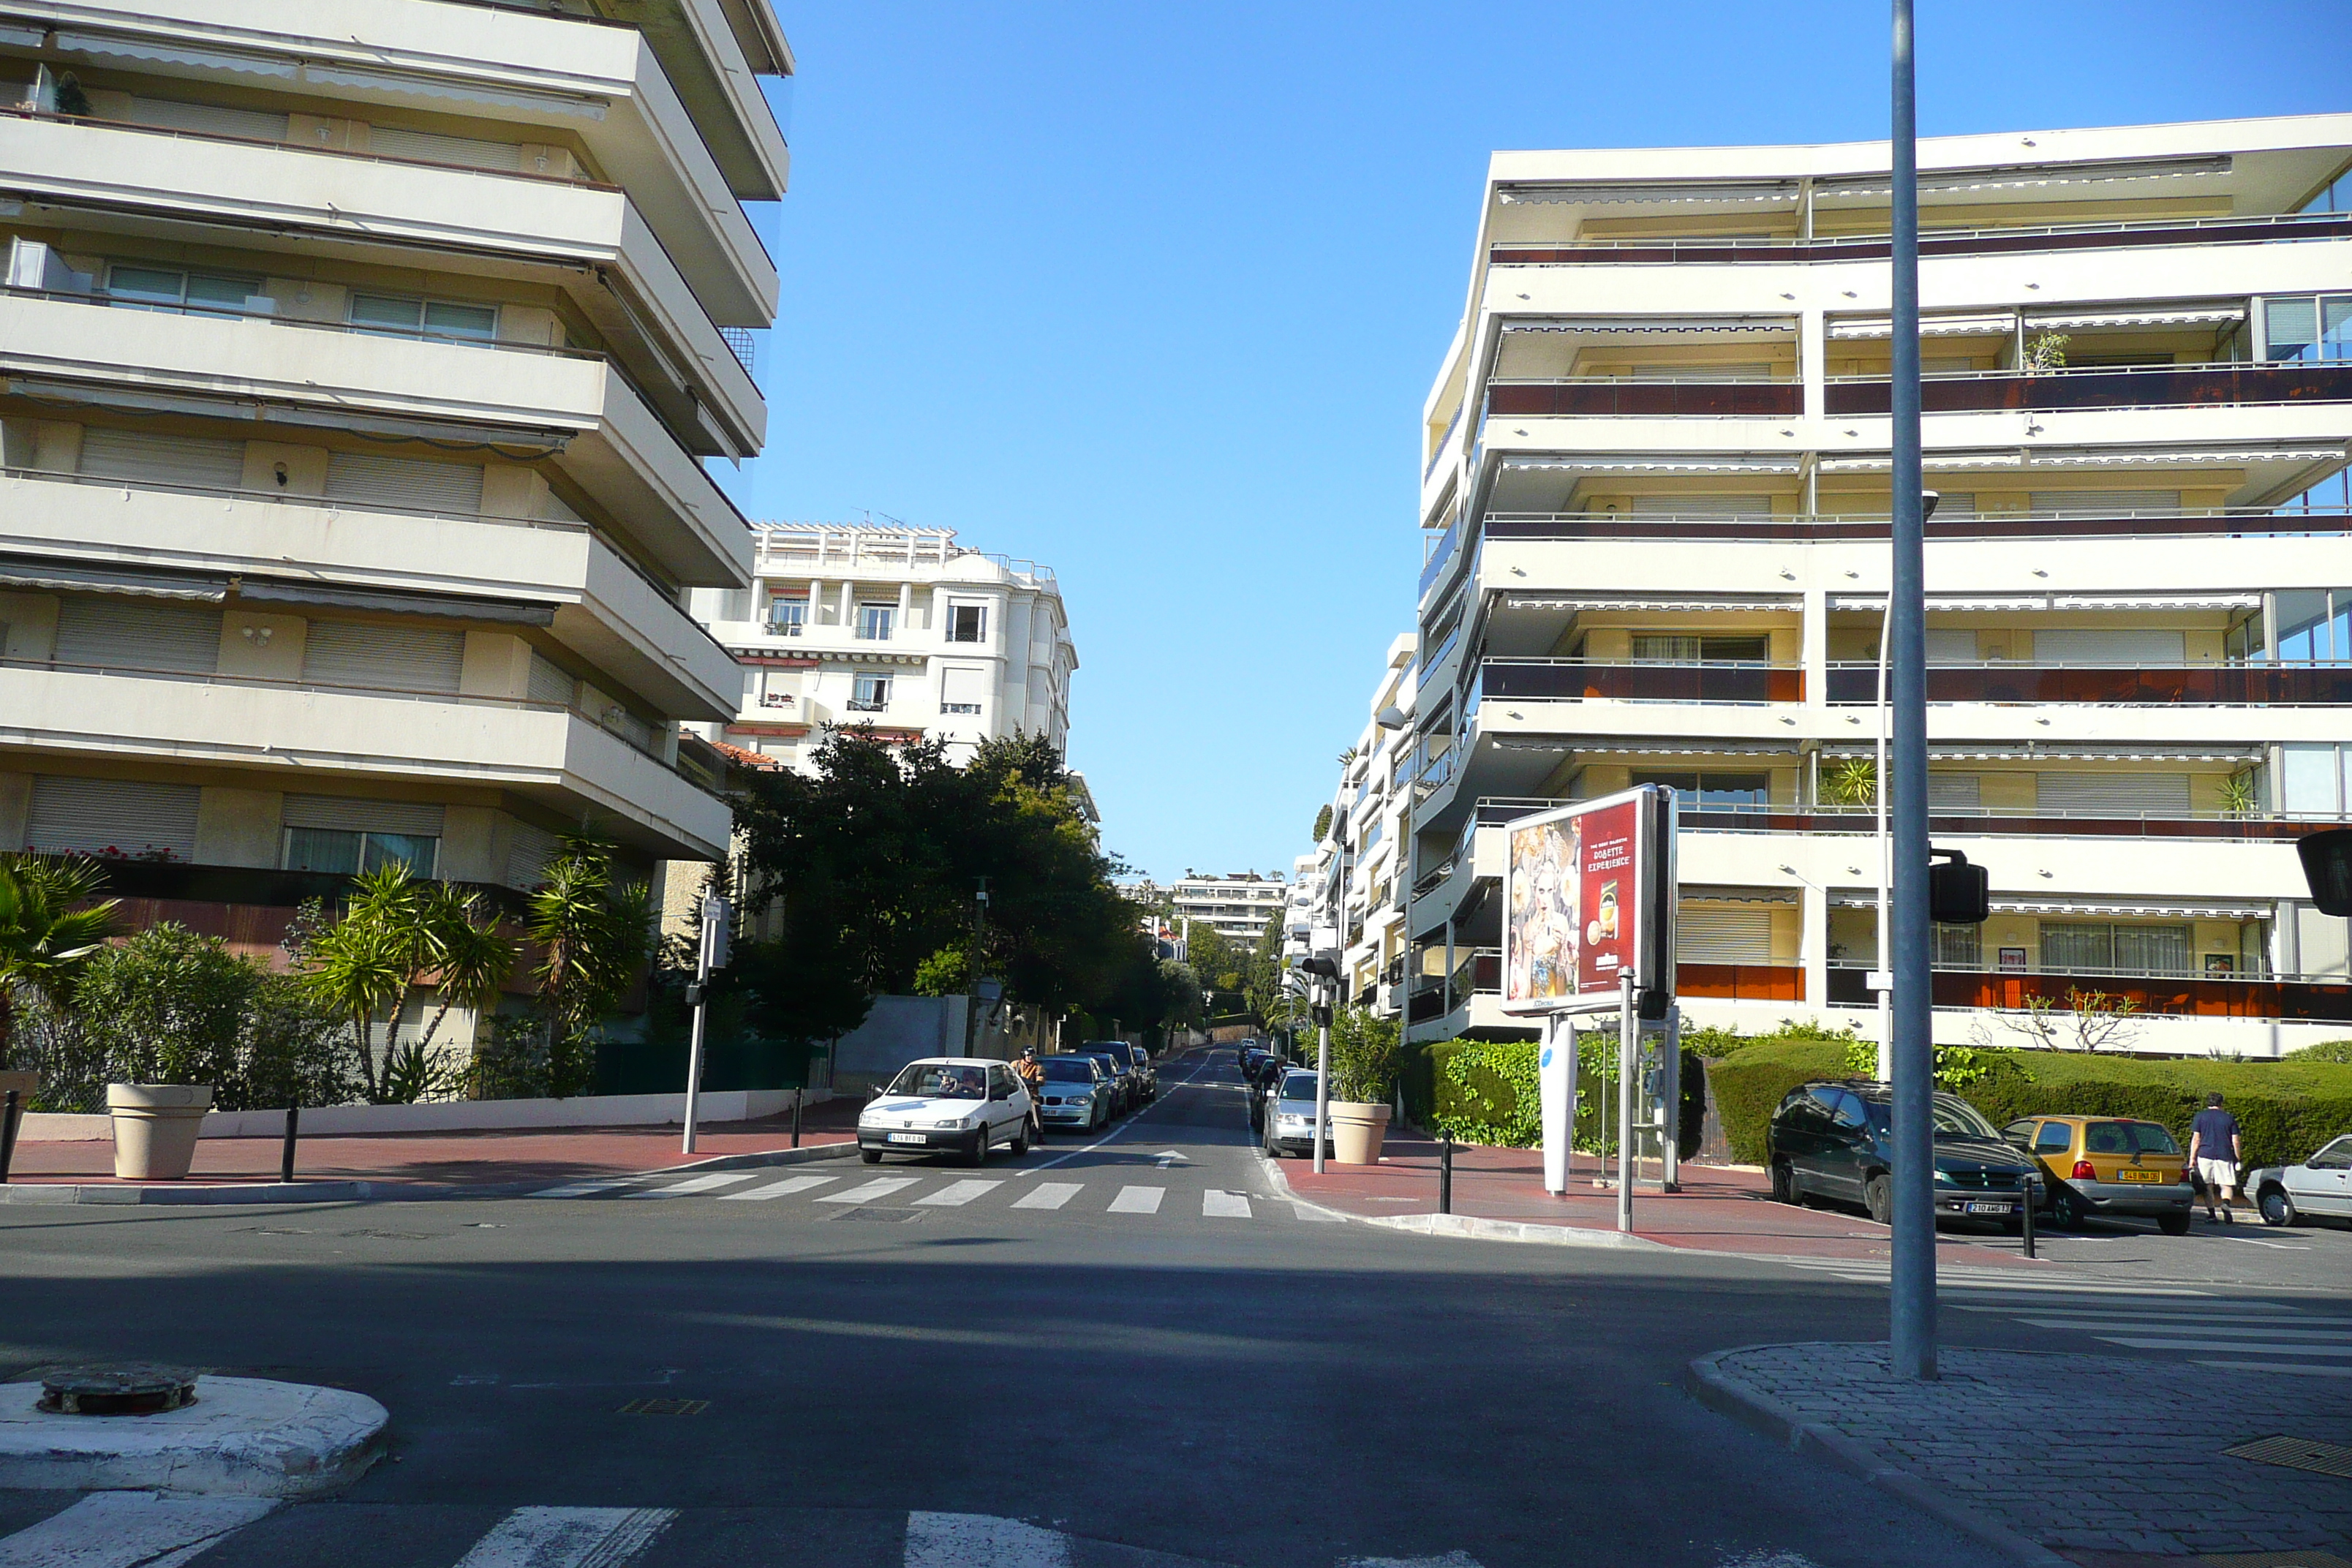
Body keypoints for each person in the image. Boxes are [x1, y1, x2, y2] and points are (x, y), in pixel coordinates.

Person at [2187, 1090, 2244, 1224]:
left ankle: (2212, 1214)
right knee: (2226, 1184)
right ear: (2221, 1103)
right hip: (2224, 1154)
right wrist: (2237, 1158)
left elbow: (2196, 1139)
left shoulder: (2200, 1117)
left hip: (2205, 1154)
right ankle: (2226, 1204)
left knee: (2207, 1185)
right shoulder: (2229, 1118)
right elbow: (2235, 1141)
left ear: (2208, 1103)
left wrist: (2192, 1158)